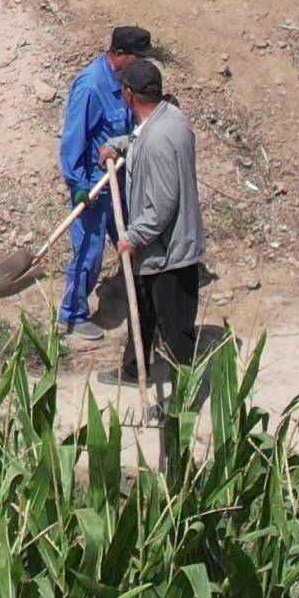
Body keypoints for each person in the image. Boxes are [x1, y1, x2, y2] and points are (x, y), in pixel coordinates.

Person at [99, 58, 207, 396]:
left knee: (174, 330)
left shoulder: (159, 138)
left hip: (169, 252)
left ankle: (189, 392)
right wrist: (117, 146)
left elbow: (163, 203)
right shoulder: (171, 118)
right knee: (142, 309)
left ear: (129, 95)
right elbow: (140, 140)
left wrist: (133, 236)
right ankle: (135, 368)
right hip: (160, 250)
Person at [54, 26, 154, 343]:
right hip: (93, 187)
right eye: (138, 58)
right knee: (89, 251)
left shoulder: (127, 83)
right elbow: (73, 140)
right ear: (120, 55)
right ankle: (71, 315)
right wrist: (78, 184)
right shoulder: (90, 86)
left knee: (134, 238)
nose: (143, 65)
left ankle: (141, 298)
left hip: (120, 180)